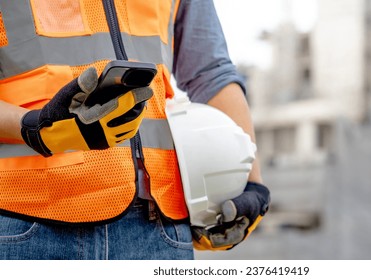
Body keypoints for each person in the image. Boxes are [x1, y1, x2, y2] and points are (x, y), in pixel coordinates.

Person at [0, 0, 270, 259]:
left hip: (157, 225)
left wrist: (251, 180)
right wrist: (32, 127)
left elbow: (211, 72)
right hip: (24, 216)